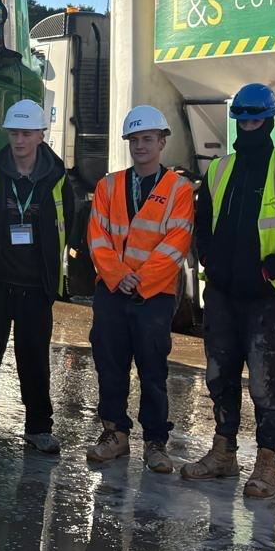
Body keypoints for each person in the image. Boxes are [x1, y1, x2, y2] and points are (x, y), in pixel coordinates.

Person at [182, 82, 275, 499]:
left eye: (256, 118)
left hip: (265, 298)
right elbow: (201, 224)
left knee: (263, 385)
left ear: (270, 120)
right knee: (219, 377)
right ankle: (223, 453)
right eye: (242, 118)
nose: (249, 125)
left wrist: (267, 270)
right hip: (222, 294)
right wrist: (209, 260)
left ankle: (266, 464)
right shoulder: (219, 170)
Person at [0, 98, 74, 455]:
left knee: (35, 359)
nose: (19, 140)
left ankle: (39, 428)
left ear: (41, 135)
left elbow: (69, 222)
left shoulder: (56, 179)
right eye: (13, 133)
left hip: (36, 287)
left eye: (26, 133)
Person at [85, 104, 194, 473]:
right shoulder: (109, 185)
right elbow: (97, 236)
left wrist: (141, 279)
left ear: (162, 142)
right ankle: (114, 433)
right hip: (113, 292)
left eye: (148, 139)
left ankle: (155, 442)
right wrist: (118, 275)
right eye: (134, 140)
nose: (140, 146)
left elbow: (176, 241)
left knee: (152, 370)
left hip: (154, 296)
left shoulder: (178, 189)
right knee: (110, 365)